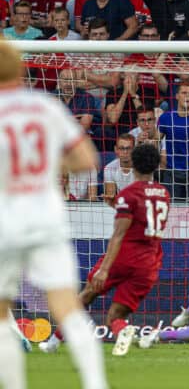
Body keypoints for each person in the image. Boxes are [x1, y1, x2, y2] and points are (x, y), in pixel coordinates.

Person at [0, 39, 107, 389]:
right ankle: (95, 383)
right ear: (21, 68)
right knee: (67, 307)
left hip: (6, 220)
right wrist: (47, 164)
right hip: (46, 217)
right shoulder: (45, 106)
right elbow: (86, 161)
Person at [40, 144, 170, 358]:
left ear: (133, 164)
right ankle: (124, 330)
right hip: (149, 262)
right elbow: (143, 218)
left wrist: (105, 269)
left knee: (86, 295)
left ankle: (54, 342)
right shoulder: (164, 194)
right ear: (156, 166)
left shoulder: (129, 194)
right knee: (114, 316)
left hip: (124, 256)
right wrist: (118, 206)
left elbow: (119, 234)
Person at [103, 133, 136, 204]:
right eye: (121, 148)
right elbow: (111, 198)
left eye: (128, 148)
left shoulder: (143, 167)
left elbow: (143, 196)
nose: (125, 152)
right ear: (116, 149)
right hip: (119, 206)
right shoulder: (109, 168)